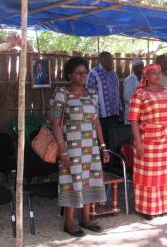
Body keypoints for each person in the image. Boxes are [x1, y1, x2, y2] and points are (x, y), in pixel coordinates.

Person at [50, 57, 110, 237]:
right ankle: (69, 222)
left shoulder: (92, 94)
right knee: (72, 181)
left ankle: (85, 219)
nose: (83, 76)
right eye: (79, 73)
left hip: (90, 146)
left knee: (89, 179)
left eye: (85, 72)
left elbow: (97, 122)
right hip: (71, 146)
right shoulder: (62, 93)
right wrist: (63, 149)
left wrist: (103, 146)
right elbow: (55, 123)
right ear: (70, 75)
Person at [128, 63, 167, 220]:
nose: (157, 75)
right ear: (146, 76)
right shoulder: (140, 94)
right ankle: (147, 208)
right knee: (149, 175)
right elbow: (133, 120)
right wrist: (138, 142)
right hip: (148, 141)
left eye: (159, 72)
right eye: (153, 73)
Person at [87, 51, 121, 141]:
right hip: (101, 115)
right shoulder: (94, 73)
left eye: (111, 60)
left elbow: (117, 92)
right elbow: (89, 94)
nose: (111, 62)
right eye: (108, 60)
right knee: (103, 140)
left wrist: (120, 109)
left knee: (114, 139)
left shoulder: (113, 74)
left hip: (114, 114)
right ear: (101, 60)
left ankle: (112, 155)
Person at [123, 59, 144, 124]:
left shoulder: (145, 78)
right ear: (134, 68)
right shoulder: (129, 80)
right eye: (140, 67)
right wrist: (139, 104)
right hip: (132, 110)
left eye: (142, 66)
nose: (142, 68)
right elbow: (126, 98)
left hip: (143, 112)